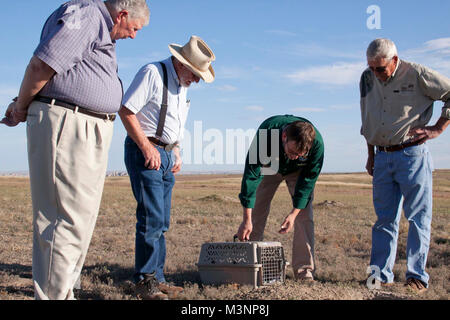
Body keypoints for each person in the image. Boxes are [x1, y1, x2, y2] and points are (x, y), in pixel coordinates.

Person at [0, 0, 150, 300]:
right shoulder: (88, 16)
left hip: (85, 126)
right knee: (63, 219)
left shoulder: (99, 27)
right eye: (133, 28)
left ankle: (63, 292)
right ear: (121, 15)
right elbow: (42, 65)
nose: (134, 36)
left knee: (78, 220)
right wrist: (20, 107)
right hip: (69, 124)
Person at [119, 35, 215, 300]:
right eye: (195, 73)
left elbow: (175, 124)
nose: (196, 80)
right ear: (181, 63)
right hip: (145, 151)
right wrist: (147, 148)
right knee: (150, 219)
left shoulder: (182, 85)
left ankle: (157, 279)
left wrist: (177, 151)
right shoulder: (152, 73)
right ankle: (143, 283)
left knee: (161, 221)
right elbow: (126, 110)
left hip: (167, 155)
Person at [360, 38, 450, 293]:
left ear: (395, 61)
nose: (375, 74)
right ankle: (378, 276)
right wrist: (370, 154)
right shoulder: (366, 78)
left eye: (380, 69)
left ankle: (416, 277)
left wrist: (438, 128)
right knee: (384, 220)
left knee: (418, 218)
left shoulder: (419, 74)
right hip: (381, 156)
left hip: (412, 155)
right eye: (371, 67)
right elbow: (367, 116)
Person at [236, 115, 324, 281]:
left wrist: (293, 213)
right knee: (256, 211)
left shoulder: (317, 144)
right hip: (271, 165)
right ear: (284, 136)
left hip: (299, 172)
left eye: (301, 155)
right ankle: (248, 264)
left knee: (304, 216)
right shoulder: (267, 133)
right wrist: (246, 219)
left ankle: (304, 271)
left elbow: (307, 183)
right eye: (292, 152)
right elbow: (252, 175)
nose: (295, 156)